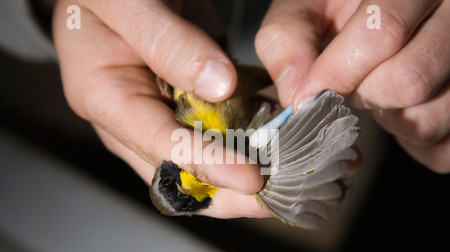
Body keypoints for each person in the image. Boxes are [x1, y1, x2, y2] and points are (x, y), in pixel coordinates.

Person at [2, 0, 449, 219]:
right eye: (203, 190)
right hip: (311, 48)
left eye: (186, 177)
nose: (201, 173)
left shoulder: (180, 109)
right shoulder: (231, 159)